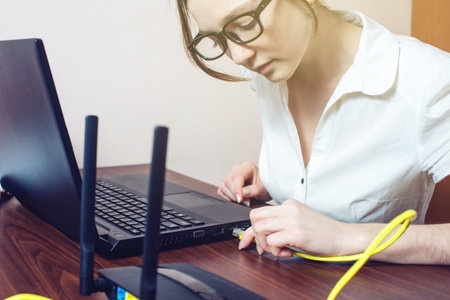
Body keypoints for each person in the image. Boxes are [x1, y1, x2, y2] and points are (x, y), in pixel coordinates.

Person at [176, 0, 450, 264]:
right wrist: (273, 180)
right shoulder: (267, 70)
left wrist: (343, 237)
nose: (238, 56)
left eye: (246, 24)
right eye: (218, 41)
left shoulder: (430, 80)